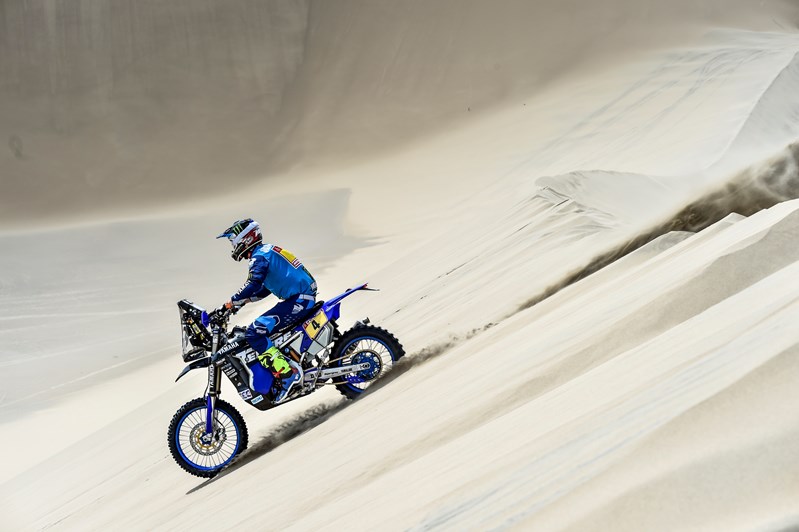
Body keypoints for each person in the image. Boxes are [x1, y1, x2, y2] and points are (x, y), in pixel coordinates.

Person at [216, 218, 317, 403]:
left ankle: (288, 374)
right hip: (301, 298)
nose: (233, 247)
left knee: (254, 333)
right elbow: (263, 290)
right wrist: (240, 303)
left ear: (245, 239)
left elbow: (253, 283)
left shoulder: (259, 256)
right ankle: (290, 362)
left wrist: (230, 302)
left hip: (299, 300)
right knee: (263, 330)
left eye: (233, 242)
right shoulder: (266, 251)